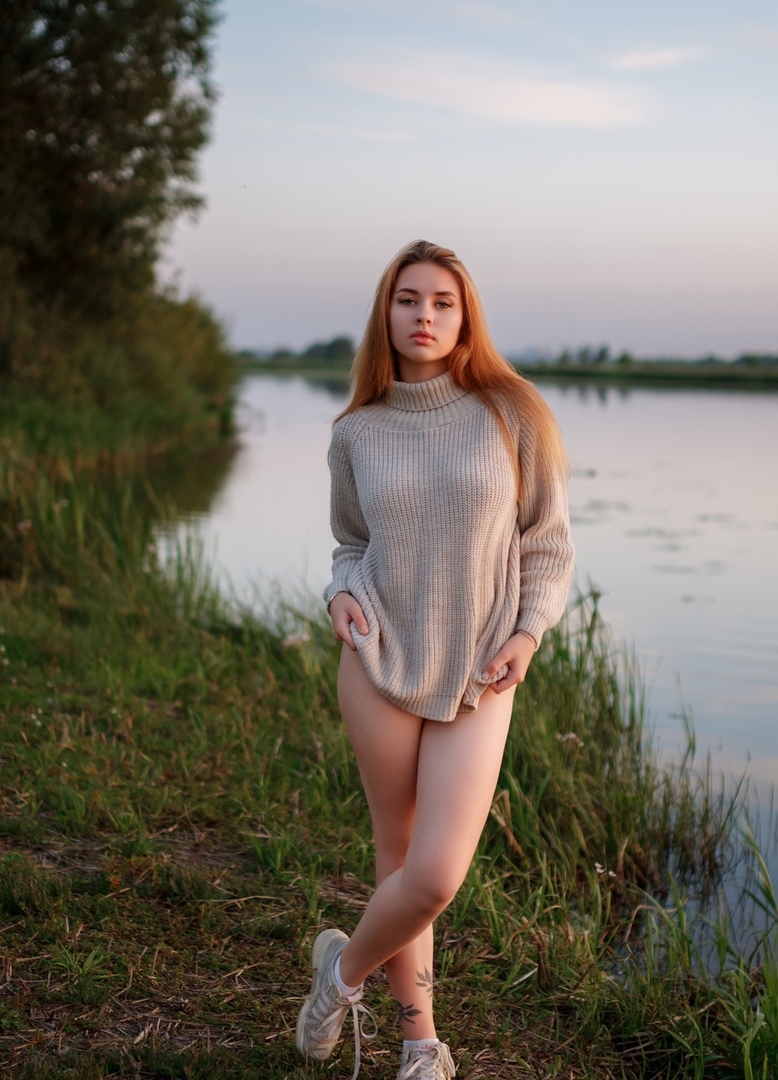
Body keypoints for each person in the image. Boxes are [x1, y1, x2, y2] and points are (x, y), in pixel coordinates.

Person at [295, 240, 575, 1079]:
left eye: (443, 302)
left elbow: (548, 547)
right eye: (409, 299)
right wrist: (341, 592)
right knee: (398, 852)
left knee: (437, 875)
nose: (425, 316)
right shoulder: (357, 432)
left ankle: (337, 980)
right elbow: (352, 543)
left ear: (465, 315)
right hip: (377, 653)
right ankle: (421, 1047)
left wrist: (526, 634)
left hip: (482, 667)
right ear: (387, 312)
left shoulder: (512, 413)